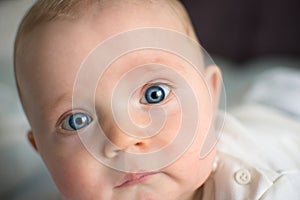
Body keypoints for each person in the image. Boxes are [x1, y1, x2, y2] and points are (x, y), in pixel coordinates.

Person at [13, 0, 300, 199]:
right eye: (77, 120)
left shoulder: (270, 190)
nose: (123, 137)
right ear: (41, 151)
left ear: (211, 95)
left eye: (155, 95)